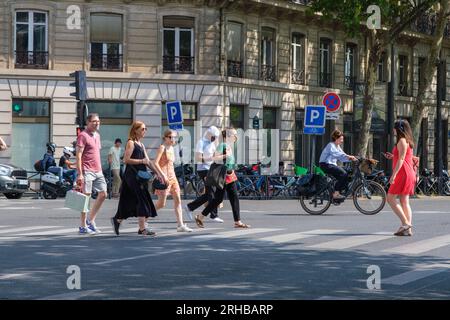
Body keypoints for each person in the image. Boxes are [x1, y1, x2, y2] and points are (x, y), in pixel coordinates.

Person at [111, 121, 167, 236]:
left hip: (140, 176)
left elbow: (149, 162)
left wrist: (159, 174)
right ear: (135, 130)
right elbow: (126, 160)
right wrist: (141, 161)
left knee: (129, 201)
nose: (145, 131)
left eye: (145, 129)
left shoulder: (141, 144)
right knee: (142, 199)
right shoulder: (131, 143)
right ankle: (142, 229)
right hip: (132, 176)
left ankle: (117, 220)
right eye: (142, 129)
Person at [195, 128, 250, 229]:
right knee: (228, 198)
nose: (236, 137)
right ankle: (237, 221)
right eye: (234, 134)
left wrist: (232, 168)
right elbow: (214, 158)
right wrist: (225, 155)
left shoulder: (228, 146)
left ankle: (201, 216)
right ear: (228, 136)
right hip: (224, 176)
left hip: (229, 175)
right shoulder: (222, 145)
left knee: (222, 199)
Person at [154, 129, 193, 232]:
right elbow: (155, 163)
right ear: (165, 138)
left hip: (173, 177)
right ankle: (145, 217)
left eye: (174, 137)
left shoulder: (172, 148)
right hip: (164, 178)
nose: (172, 139)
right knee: (162, 204)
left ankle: (180, 225)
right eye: (170, 137)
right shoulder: (162, 148)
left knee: (178, 200)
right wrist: (162, 175)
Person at [184, 125, 224, 223]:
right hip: (204, 170)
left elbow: (213, 155)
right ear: (209, 133)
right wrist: (210, 158)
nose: (214, 138)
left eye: (215, 137)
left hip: (210, 169)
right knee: (211, 193)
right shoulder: (201, 142)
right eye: (213, 136)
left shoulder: (212, 143)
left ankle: (189, 207)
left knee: (208, 194)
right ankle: (213, 215)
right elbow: (198, 158)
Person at [383, 119, 416, 236]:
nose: (393, 130)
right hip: (409, 172)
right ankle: (408, 228)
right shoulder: (408, 141)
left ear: (399, 129)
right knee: (404, 201)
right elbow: (404, 157)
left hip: (403, 173)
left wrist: (394, 175)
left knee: (390, 198)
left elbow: (402, 159)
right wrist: (393, 156)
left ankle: (405, 223)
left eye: (394, 127)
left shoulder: (401, 140)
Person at [76, 113, 107, 235]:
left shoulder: (97, 136)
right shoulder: (82, 136)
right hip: (87, 170)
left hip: (98, 170)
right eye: (94, 121)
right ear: (88, 122)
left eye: (98, 121)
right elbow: (79, 156)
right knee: (86, 198)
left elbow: (94, 153)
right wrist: (80, 174)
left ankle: (90, 220)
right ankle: (83, 226)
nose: (97, 123)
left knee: (103, 194)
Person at [319, 129, 357, 199]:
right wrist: (349, 156)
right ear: (336, 138)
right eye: (341, 139)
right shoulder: (331, 145)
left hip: (331, 165)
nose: (342, 141)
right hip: (325, 165)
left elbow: (342, 156)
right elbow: (337, 154)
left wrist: (353, 159)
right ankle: (336, 193)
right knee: (343, 173)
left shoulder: (337, 146)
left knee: (347, 174)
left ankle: (339, 191)